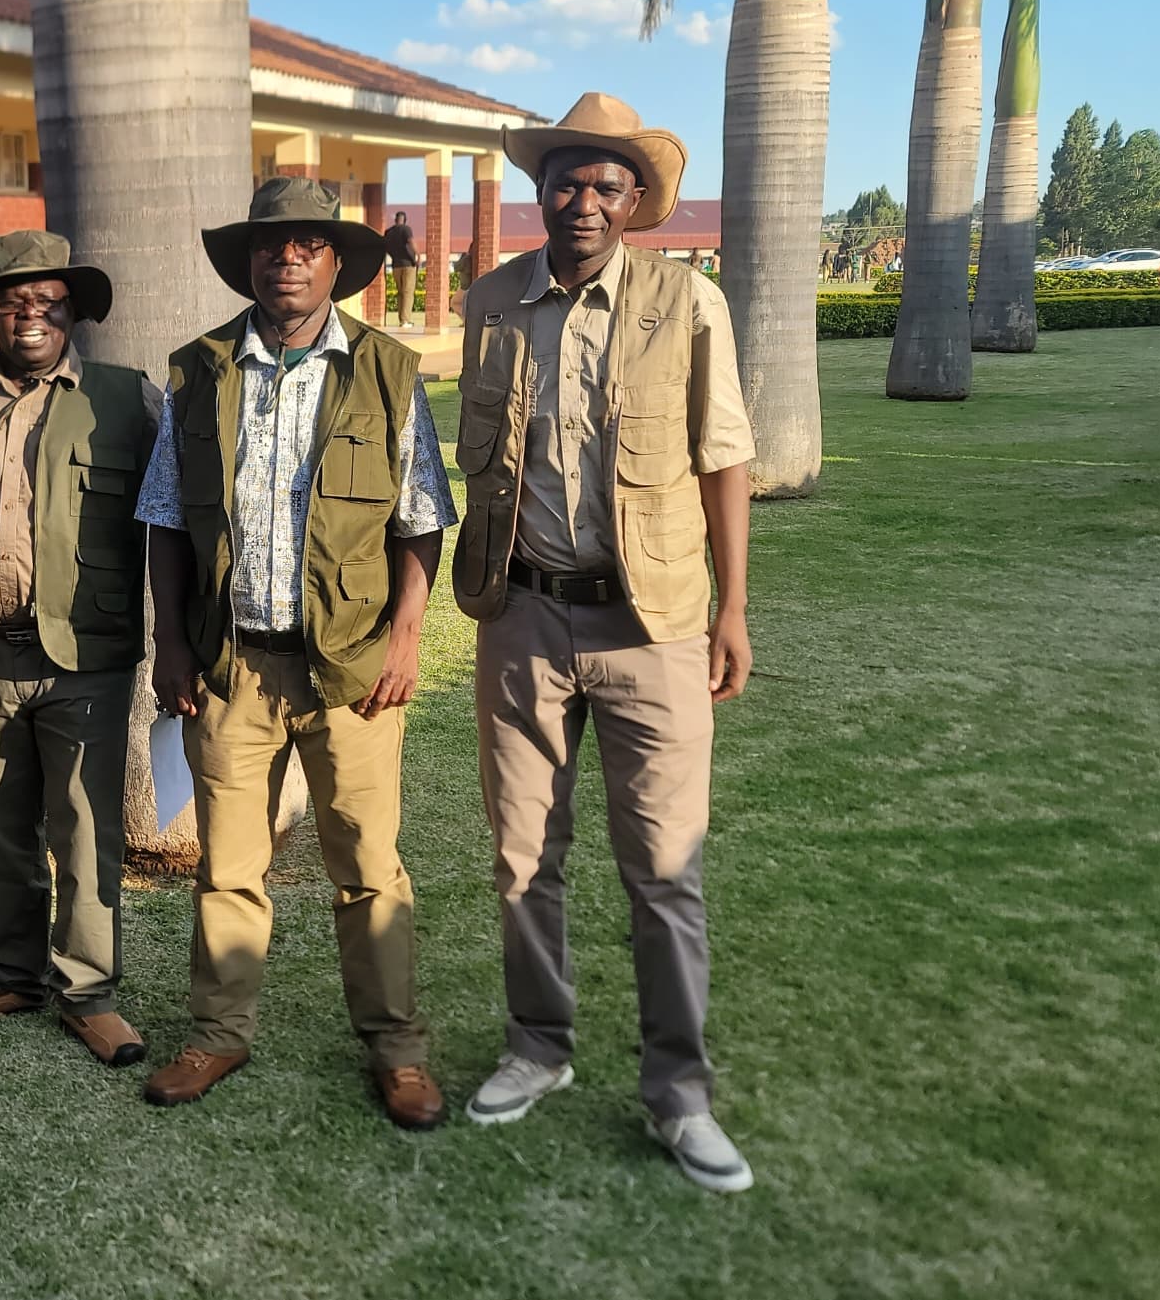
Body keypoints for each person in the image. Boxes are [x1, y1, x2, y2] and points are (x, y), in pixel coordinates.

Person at [449, 92, 759, 1194]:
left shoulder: (687, 302)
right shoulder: (493, 301)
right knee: (522, 855)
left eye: (606, 186)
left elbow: (724, 455)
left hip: (654, 621)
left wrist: (731, 608)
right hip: (523, 614)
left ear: (635, 203)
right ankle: (538, 1046)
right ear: (541, 193)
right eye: (566, 182)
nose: (584, 201)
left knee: (663, 868)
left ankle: (679, 1095)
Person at [136, 176, 458, 1129]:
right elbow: (165, 516)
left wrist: (405, 641)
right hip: (233, 663)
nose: (288, 258)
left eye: (309, 244)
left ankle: (396, 1049)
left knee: (368, 862)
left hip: (352, 667)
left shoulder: (387, 371)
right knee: (228, 865)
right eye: (271, 244)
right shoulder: (197, 371)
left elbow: (421, 516)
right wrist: (170, 643)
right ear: (248, 261)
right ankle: (218, 1033)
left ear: (334, 263)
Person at [0, 231, 161, 1068]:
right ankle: (16, 975)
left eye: (46, 300)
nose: (29, 313)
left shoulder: (127, 398)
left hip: (86, 654)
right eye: (11, 300)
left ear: (72, 310)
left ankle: (88, 992)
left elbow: (173, 521)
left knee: (86, 826)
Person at [383, 209, 421, 330]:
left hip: (396, 265)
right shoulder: (406, 229)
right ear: (405, 220)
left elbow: (385, 246)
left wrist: (393, 256)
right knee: (408, 292)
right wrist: (418, 255)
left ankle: (402, 319)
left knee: (400, 292)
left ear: (395, 220)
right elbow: (411, 241)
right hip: (408, 265)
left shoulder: (388, 232)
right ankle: (405, 320)